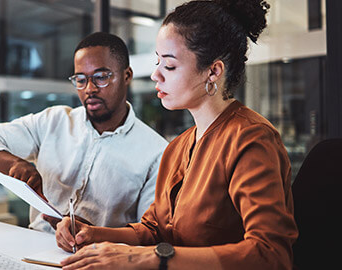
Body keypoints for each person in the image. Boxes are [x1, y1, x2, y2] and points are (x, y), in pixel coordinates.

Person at [55, 1, 298, 269]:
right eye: (158, 62)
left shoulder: (251, 140)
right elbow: (155, 229)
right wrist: (93, 234)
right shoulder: (179, 147)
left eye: (169, 66)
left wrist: (149, 258)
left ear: (213, 71)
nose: (156, 75)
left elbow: (270, 254)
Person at [0, 32, 168, 233]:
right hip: (33, 246)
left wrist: (94, 234)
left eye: (100, 77)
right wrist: (14, 165)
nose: (89, 89)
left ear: (126, 76)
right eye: (80, 79)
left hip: (100, 258)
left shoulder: (157, 153)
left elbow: (148, 233)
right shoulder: (53, 121)